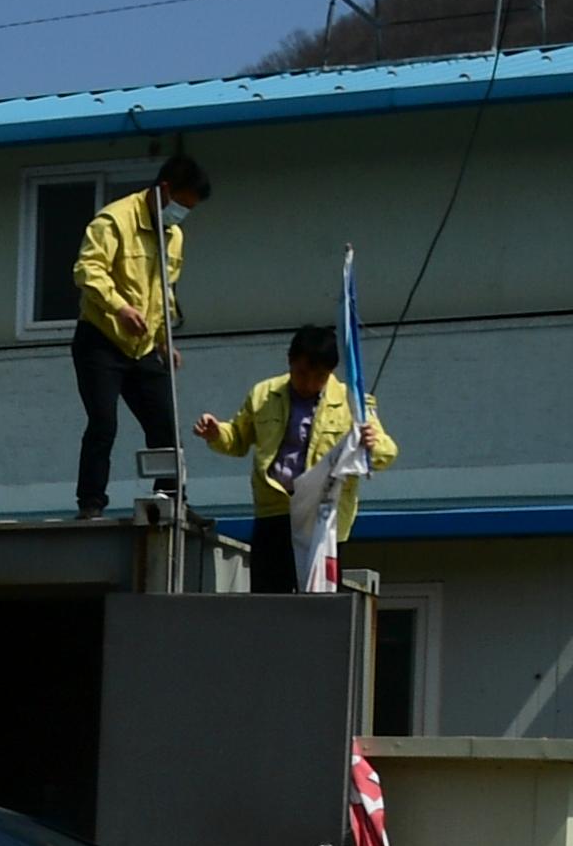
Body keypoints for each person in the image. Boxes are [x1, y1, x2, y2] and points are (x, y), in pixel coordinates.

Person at [197, 324, 396, 592]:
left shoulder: (354, 402)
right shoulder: (263, 394)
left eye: (320, 376)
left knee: (319, 599)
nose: (310, 383)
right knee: (269, 597)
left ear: (331, 373)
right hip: (274, 509)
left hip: (323, 518)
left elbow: (386, 452)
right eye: (302, 373)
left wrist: (372, 444)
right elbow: (237, 439)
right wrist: (216, 432)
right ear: (290, 362)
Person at [70, 152, 210, 519]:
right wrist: (119, 308)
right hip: (101, 338)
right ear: (164, 190)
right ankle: (90, 504)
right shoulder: (114, 220)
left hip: (144, 345)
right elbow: (88, 270)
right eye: (181, 205)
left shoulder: (174, 236)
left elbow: (164, 291)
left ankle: (172, 500)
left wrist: (165, 340)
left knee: (165, 423)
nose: (181, 215)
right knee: (103, 422)